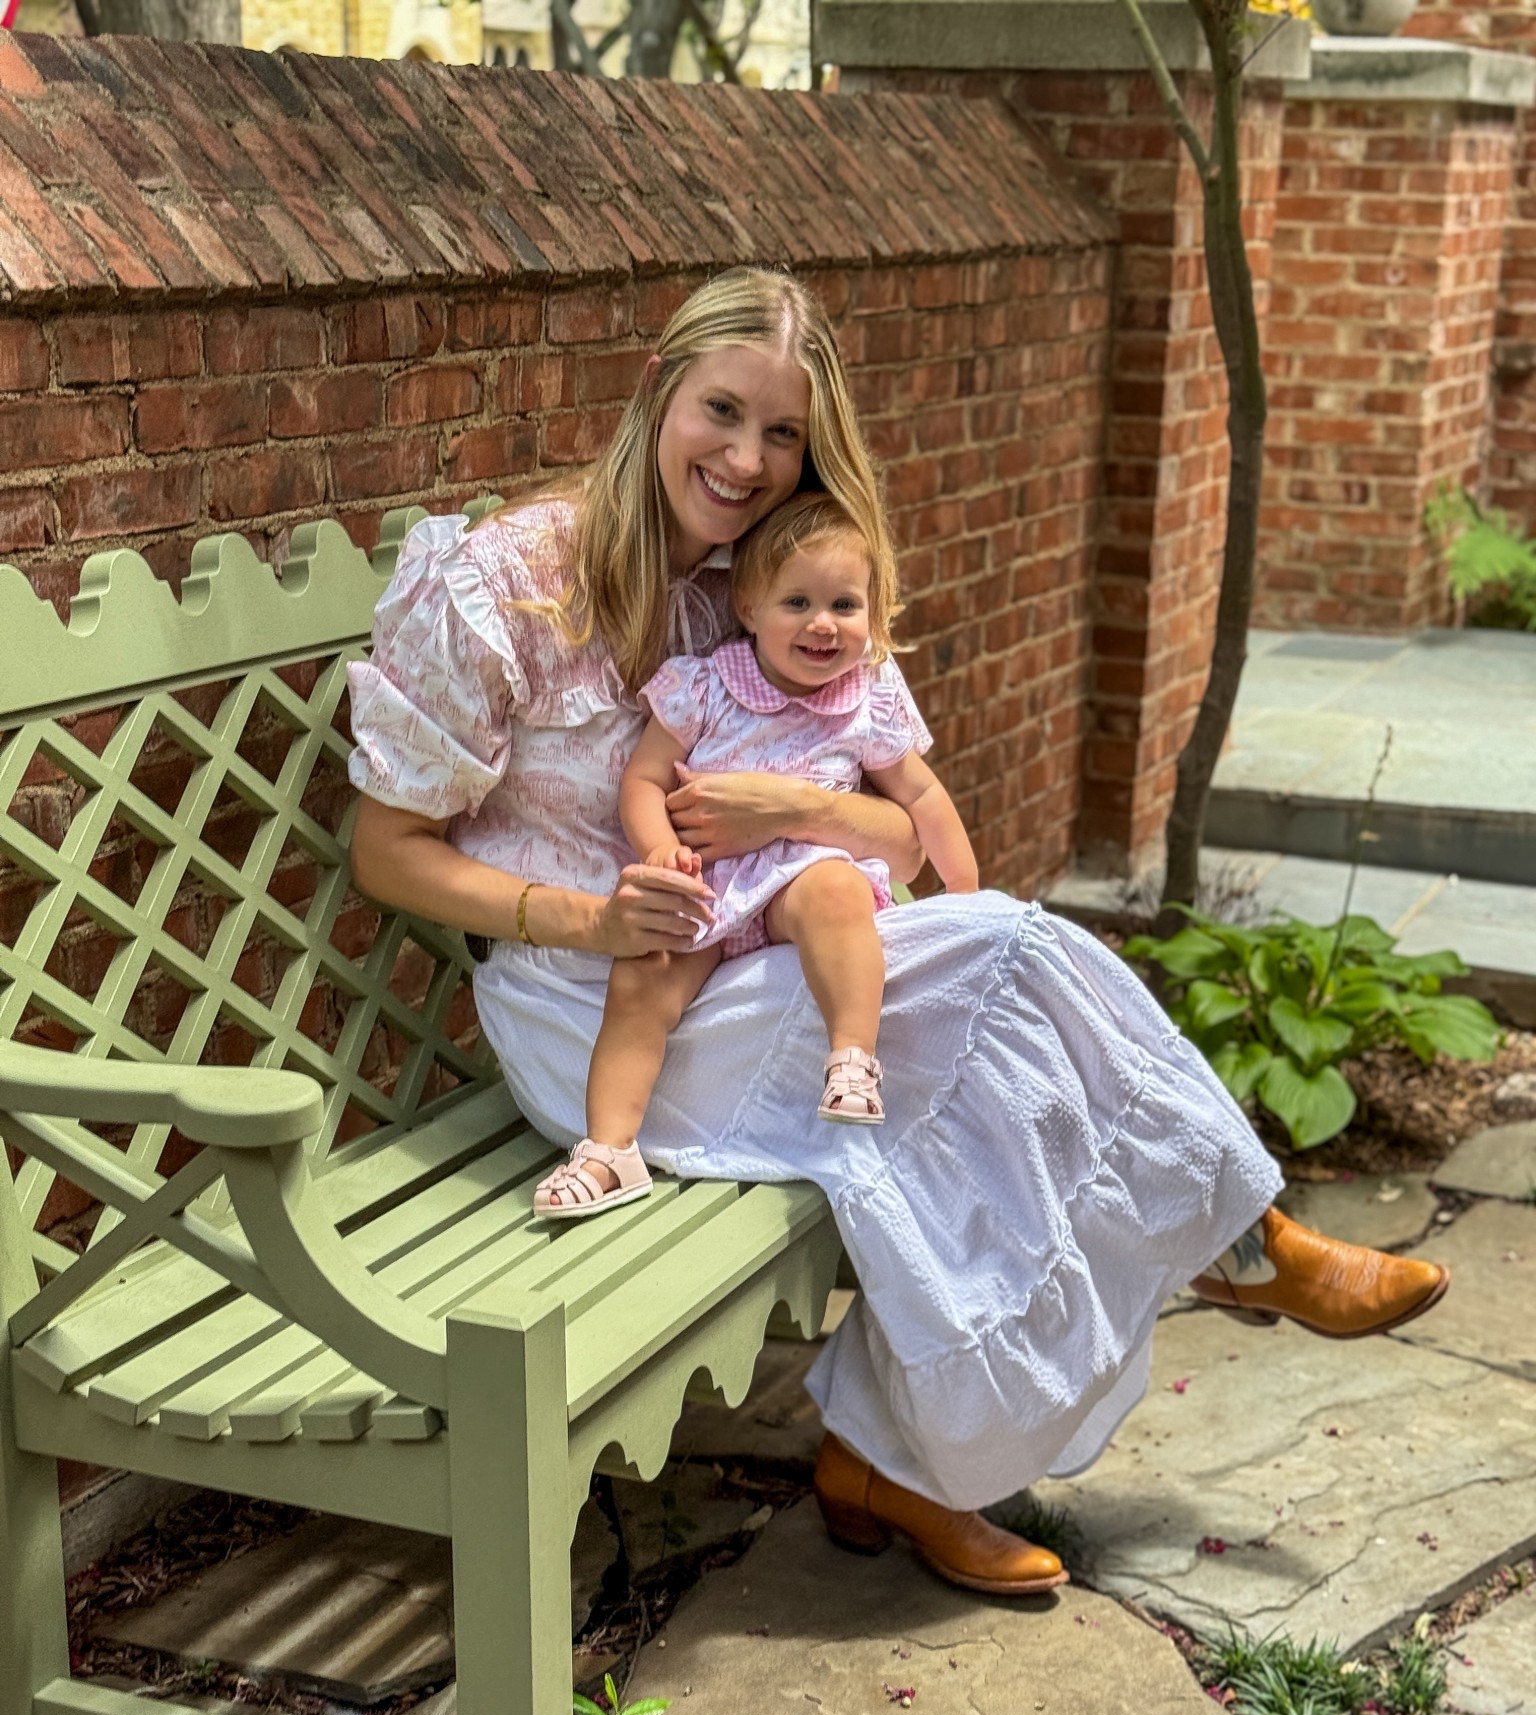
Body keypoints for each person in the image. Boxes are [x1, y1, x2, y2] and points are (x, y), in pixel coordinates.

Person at [346, 266, 1449, 1599]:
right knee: (1001, 999)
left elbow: (885, 834)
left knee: (1006, 1002)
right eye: (722, 412)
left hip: (753, 961)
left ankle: (927, 1445)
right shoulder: (506, 587)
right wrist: (592, 911)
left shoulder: (744, 589)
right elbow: (386, 852)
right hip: (604, 1019)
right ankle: (1200, 1278)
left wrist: (791, 804)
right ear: (656, 393)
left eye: (783, 434)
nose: (748, 460)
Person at [531, 493, 978, 1219]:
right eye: (797, 602)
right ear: (749, 606)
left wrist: (965, 893)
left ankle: (853, 1059)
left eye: (844, 603)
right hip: (713, 881)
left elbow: (921, 799)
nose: (823, 624)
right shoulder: (706, 684)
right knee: (643, 974)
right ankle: (611, 1148)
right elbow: (643, 779)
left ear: (874, 611)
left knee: (835, 897)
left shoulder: (868, 698)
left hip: (805, 871)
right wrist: (662, 850)